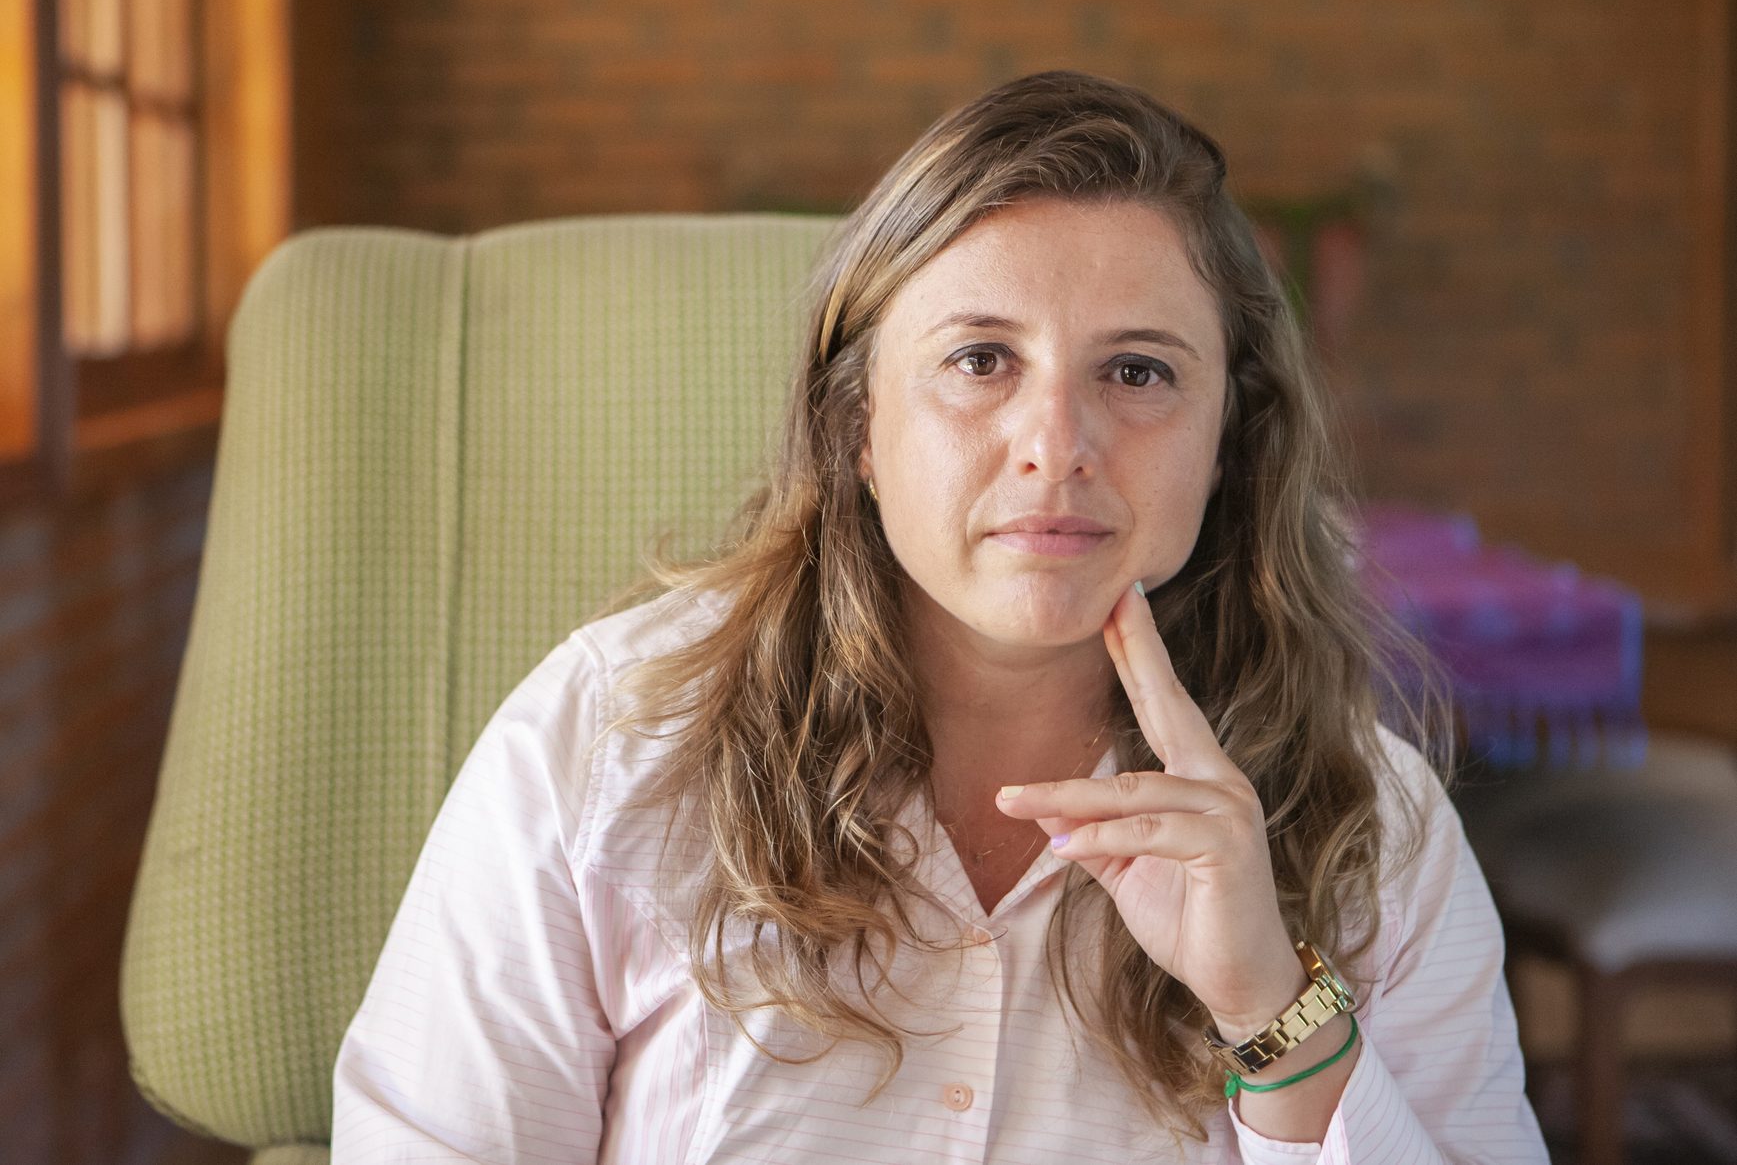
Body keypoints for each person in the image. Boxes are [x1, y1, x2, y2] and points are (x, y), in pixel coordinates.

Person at [331, 69, 1549, 1163]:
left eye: (1138, 371)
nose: (1056, 447)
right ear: (858, 424)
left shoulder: (1375, 826)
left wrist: (1273, 1009)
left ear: (1230, 438)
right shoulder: (606, 735)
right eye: (980, 360)